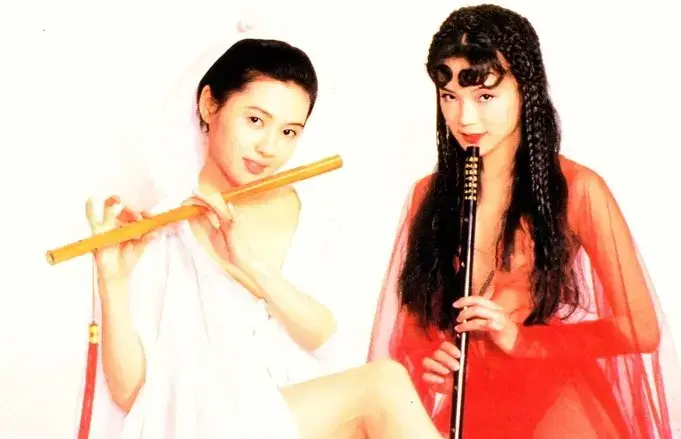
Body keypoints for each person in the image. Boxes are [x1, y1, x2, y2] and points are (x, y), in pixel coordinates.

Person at [83, 25, 444, 439]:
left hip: (293, 422)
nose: (269, 148)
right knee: (384, 388)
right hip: (200, 426)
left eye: (288, 132)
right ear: (209, 104)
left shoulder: (314, 217)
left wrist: (252, 268)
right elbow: (132, 394)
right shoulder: (161, 228)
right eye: (255, 120)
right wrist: (111, 281)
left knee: (382, 390)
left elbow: (330, 344)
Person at [368, 4, 681, 439]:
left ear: (526, 89)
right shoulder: (427, 196)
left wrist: (520, 340)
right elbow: (410, 326)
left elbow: (640, 328)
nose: (465, 118)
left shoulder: (579, 189)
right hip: (473, 400)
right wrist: (431, 357)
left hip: (556, 396)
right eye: (450, 96)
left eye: (485, 96)